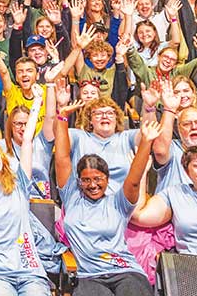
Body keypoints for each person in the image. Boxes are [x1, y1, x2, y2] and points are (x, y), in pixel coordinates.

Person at [53, 110, 159, 296]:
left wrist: (146, 142)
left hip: (125, 271)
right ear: (79, 182)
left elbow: (134, 180)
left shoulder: (119, 202)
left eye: (98, 179)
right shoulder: (72, 197)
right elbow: (62, 159)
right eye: (86, 180)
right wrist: (62, 118)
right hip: (89, 277)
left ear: (107, 179)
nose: (92, 185)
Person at [0, 138, 69, 296]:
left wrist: (36, 115)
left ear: (1, 155)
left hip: (31, 273)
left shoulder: (19, 183)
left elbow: (27, 142)